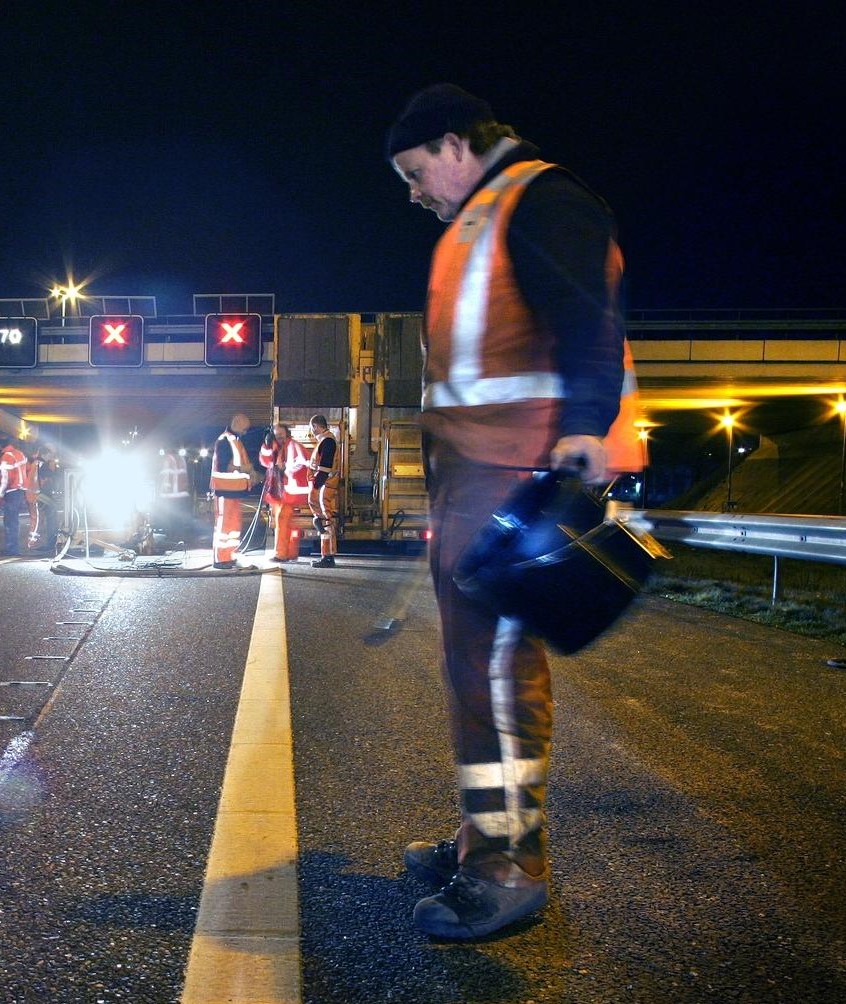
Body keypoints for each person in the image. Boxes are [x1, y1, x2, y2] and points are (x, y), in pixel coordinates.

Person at [385, 83, 644, 939]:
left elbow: (586, 321)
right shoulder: (488, 213)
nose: (414, 191)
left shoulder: (541, 199)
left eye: (418, 171)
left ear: (457, 146)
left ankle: (508, 866)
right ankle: (481, 837)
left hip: (515, 473)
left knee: (498, 671)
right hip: (476, 473)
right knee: (472, 669)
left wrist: (581, 430)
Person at [208, 413, 257, 569]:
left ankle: (229, 555)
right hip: (224, 491)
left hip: (234, 491)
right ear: (237, 423)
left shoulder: (235, 440)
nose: (246, 432)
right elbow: (223, 467)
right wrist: (244, 469)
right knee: (224, 527)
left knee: (233, 526)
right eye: (245, 428)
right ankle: (221, 559)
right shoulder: (224, 441)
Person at [257, 422, 311, 562]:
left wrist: (285, 469)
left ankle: (281, 554)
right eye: (276, 435)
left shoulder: (293, 446)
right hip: (283, 493)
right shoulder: (277, 447)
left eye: (281, 434)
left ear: (286, 433)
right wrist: (267, 445)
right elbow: (265, 461)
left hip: (291, 493)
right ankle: (290, 553)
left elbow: (303, 463)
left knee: (283, 520)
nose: (278, 437)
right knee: (289, 524)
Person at [306, 415, 340, 567]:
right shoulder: (326, 440)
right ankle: (326, 555)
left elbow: (324, 468)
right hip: (324, 484)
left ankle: (328, 557)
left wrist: (316, 485)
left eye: (312, 428)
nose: (312, 432)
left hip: (324, 485)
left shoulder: (327, 441)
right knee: (323, 521)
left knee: (325, 521)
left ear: (315, 426)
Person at [0, 436, 31, 556]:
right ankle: (14, 547)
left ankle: (12, 549)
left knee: (10, 521)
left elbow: (5, 478)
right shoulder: (20, 454)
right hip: (20, 490)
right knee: (14, 520)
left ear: (0, 445)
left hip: (11, 491)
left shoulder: (6, 457)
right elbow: (28, 470)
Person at [155, 445, 191, 542]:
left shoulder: (167, 459)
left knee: (171, 518)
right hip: (181, 494)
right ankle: (179, 538)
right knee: (178, 518)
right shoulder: (181, 460)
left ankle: (173, 538)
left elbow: (166, 476)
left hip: (170, 494)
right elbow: (184, 476)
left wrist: (161, 492)